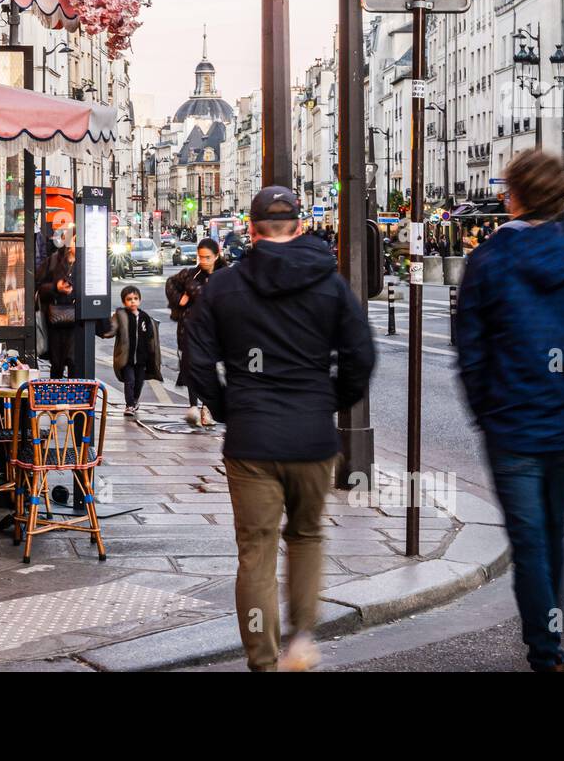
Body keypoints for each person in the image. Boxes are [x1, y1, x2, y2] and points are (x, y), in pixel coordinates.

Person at [182, 187, 375, 672]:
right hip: (312, 436)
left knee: (256, 550)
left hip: (251, 439)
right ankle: (300, 640)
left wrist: (228, 406)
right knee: (307, 537)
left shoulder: (224, 287)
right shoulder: (331, 285)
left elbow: (196, 357)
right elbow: (361, 357)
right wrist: (328, 401)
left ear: (251, 230)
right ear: (300, 226)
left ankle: (263, 662)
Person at [456, 150, 564, 672]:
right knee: (553, 529)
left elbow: (471, 350)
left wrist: (489, 409)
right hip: (563, 424)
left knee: (529, 541)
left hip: (511, 426)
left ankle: (547, 653)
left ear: (514, 195)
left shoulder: (488, 260)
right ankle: (552, 632)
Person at [166, 237, 226, 426]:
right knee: (191, 366)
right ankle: (193, 406)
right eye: (201, 257)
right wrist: (179, 299)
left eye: (208, 257)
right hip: (189, 326)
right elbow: (170, 283)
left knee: (210, 367)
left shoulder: (226, 275)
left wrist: (193, 290)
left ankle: (208, 409)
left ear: (217, 255)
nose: (204, 261)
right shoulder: (191, 274)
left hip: (215, 328)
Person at [97, 285, 163, 416]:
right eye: (129, 299)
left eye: (135, 298)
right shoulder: (121, 315)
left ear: (140, 300)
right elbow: (111, 330)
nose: (133, 301)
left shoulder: (145, 317)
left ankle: (135, 400)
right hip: (126, 358)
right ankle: (129, 405)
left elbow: (150, 338)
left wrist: (152, 356)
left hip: (141, 358)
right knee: (130, 381)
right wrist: (101, 327)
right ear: (124, 302)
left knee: (139, 382)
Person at [36, 230, 78, 379]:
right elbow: (39, 286)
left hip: (78, 321)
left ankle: (74, 397)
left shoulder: (88, 263)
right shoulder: (54, 261)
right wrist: (56, 287)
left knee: (74, 361)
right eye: (75, 240)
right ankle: (56, 395)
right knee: (57, 363)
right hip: (55, 319)